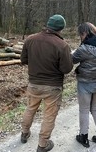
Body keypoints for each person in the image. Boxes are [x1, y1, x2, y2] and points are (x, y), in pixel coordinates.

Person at [20, 14, 73, 152]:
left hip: (33, 84)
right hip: (53, 87)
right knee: (49, 116)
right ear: (61, 28)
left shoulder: (30, 39)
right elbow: (66, 69)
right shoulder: (62, 45)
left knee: (30, 108)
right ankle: (43, 145)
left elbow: (23, 60)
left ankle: (24, 133)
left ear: (47, 25)